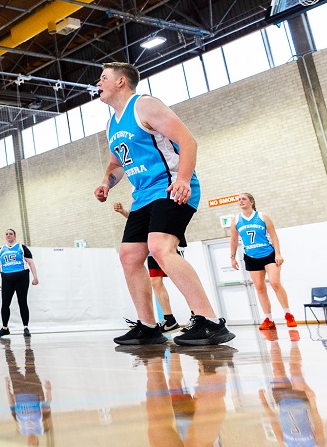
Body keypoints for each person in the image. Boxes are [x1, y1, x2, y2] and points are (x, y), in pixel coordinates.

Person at [94, 62, 233, 347]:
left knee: (159, 248)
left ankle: (209, 321)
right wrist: (107, 182)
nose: (98, 83)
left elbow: (188, 141)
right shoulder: (111, 124)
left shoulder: (144, 105)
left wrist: (183, 179)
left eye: (103, 78)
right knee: (129, 256)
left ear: (121, 81)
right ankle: (147, 326)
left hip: (170, 186)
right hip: (143, 195)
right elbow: (117, 163)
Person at [230, 193, 297, 330]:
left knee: (275, 283)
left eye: (244, 199)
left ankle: (288, 314)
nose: (241, 201)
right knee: (260, 288)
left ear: (251, 202)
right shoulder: (236, 220)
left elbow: (273, 235)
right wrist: (232, 257)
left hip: (268, 254)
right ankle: (269, 319)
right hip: (251, 256)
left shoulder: (262, 216)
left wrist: (278, 253)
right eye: (239, 200)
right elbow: (234, 239)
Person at [113, 202, 183, 332]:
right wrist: (123, 212)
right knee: (155, 282)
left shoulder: (156, 194)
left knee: (176, 278)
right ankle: (169, 319)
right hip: (150, 248)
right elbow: (139, 218)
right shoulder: (138, 196)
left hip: (162, 242)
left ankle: (197, 314)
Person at [1, 340, 52, 444]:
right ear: (37, 441)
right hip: (34, 391)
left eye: (29, 444)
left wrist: (7, 389)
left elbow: (12, 406)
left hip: (18, 392)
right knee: (30, 368)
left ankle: (7, 348)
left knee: (12, 369)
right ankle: (28, 346)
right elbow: (47, 405)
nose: (31, 442)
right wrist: (48, 390)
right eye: (33, 444)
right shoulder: (42, 425)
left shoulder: (21, 428)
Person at [0, 228, 39, 338]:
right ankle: (5, 328)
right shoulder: (1, 250)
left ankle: (26, 327)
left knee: (22, 302)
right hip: (6, 279)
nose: (8, 235)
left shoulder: (21, 248)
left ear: (15, 236)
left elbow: (31, 263)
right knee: (5, 303)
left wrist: (35, 277)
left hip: (22, 277)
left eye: (11, 233)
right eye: (6, 234)